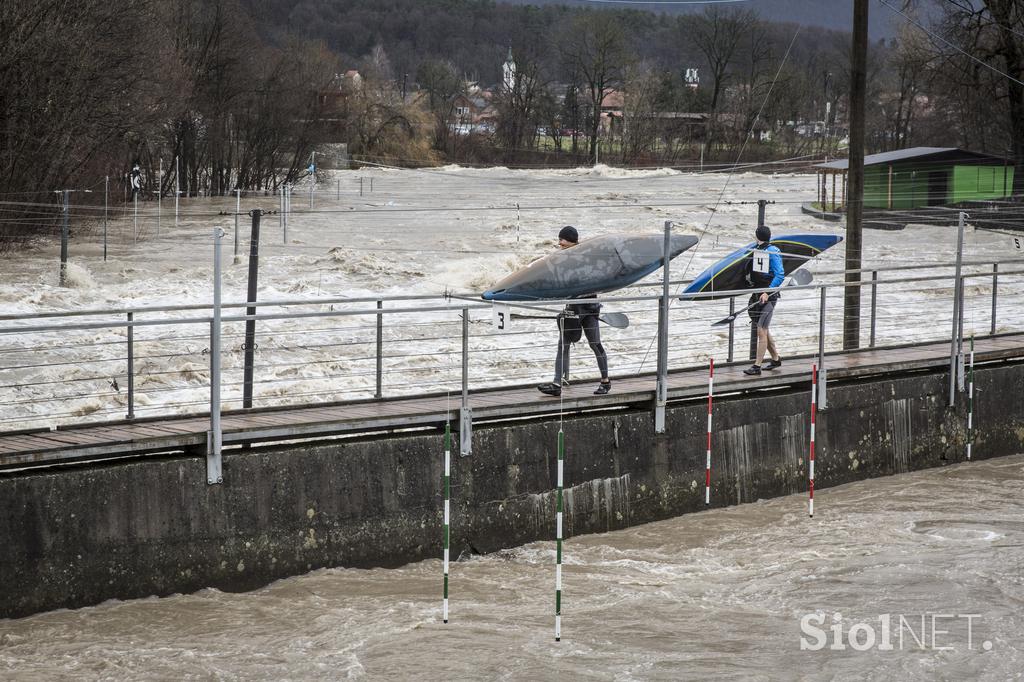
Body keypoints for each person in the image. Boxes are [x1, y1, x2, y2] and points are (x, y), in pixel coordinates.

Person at [537, 225, 612, 397]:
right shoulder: (562, 257)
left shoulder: (586, 257)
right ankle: (557, 383)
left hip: (590, 308)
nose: (559, 242)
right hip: (573, 308)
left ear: (572, 241)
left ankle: (605, 382)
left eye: (562, 239)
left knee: (595, 344)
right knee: (563, 344)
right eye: (559, 239)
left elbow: (595, 278)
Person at [743, 225, 785, 376]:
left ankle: (757, 366)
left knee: (761, 330)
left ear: (757, 236)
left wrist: (767, 292)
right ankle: (775, 359)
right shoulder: (757, 249)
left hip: (769, 296)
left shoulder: (772, 251)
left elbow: (780, 275)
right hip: (757, 294)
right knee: (765, 331)